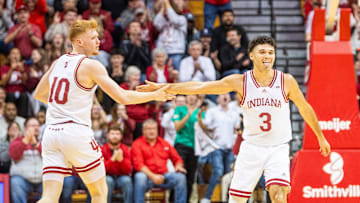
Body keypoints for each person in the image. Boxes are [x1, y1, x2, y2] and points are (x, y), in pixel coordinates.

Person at [137, 35, 331, 203]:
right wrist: (166, 88)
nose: (267, 56)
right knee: (237, 198)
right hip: (252, 147)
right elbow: (201, 88)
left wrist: (320, 137)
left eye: (271, 52)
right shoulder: (240, 81)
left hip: (278, 146)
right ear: (252, 56)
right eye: (262, 52)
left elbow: (305, 108)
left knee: (279, 194)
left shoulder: (286, 80)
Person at [33, 19, 175, 203]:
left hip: (51, 134)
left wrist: (65, 106)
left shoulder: (58, 62)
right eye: (93, 37)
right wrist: (155, 95)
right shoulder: (91, 65)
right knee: (99, 193)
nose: (98, 41)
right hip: (76, 133)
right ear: (79, 42)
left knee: (49, 197)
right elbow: (122, 97)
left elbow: (39, 94)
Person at [131, 119, 187, 203]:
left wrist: (178, 166)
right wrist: (153, 176)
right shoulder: (137, 144)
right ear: (143, 131)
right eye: (149, 129)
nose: (152, 131)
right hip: (147, 178)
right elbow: (139, 165)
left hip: (163, 177)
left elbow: (177, 158)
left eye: (154, 129)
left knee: (180, 177)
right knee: (139, 177)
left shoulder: (164, 143)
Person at [9, 117, 42, 203]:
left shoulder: (44, 141)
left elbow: (50, 156)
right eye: (33, 125)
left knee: (55, 182)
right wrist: (25, 141)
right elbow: (14, 155)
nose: (36, 127)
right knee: (15, 182)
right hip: (23, 180)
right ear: (25, 128)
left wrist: (36, 144)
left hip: (43, 181)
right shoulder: (17, 141)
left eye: (38, 125)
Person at [101, 124, 133, 203]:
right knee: (108, 180)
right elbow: (101, 170)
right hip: (108, 176)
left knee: (127, 180)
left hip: (121, 177)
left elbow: (129, 170)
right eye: (112, 134)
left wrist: (121, 160)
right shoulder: (102, 149)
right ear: (108, 135)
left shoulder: (125, 149)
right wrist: (112, 159)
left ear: (121, 136)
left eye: (117, 134)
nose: (115, 136)